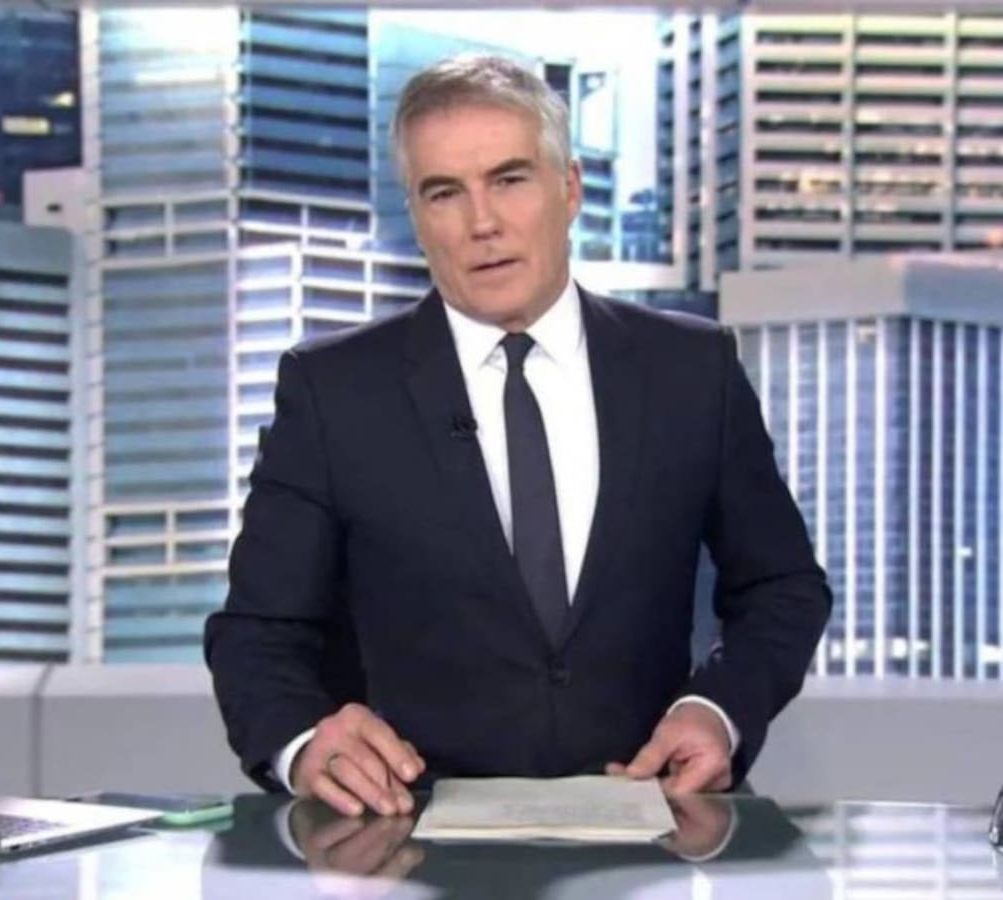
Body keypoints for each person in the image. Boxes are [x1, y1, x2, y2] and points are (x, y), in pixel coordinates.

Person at [204, 54, 830, 819]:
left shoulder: (690, 370)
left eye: (509, 179)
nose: (482, 223)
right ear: (416, 215)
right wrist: (305, 744)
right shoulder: (333, 391)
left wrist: (718, 711)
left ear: (569, 188)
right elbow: (257, 635)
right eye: (445, 193)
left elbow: (782, 588)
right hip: (405, 836)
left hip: (652, 825)